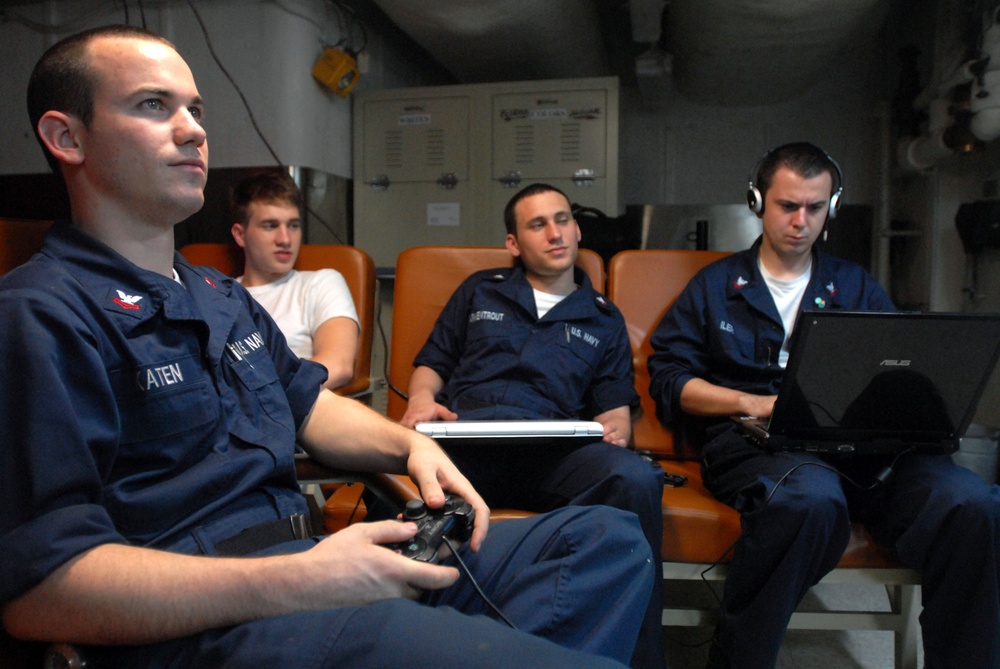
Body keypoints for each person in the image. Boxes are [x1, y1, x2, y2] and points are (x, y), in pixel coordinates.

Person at [0, 25, 657, 669]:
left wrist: (411, 445)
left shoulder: (217, 295)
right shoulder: (41, 313)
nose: (194, 129)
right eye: (153, 105)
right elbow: (40, 593)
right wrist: (303, 580)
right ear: (67, 137)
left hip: (314, 562)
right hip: (214, 613)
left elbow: (310, 405)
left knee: (603, 540)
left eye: (195, 109)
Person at [647, 141, 1000, 669]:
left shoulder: (855, 286)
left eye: (815, 207)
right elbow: (669, 379)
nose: (801, 221)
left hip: (863, 448)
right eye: (788, 206)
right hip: (758, 443)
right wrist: (755, 402)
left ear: (831, 208)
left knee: (972, 505)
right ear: (758, 202)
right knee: (809, 500)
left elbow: (899, 367)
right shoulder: (716, 287)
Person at [400, 182, 667, 669]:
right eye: (537, 224)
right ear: (513, 243)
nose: (554, 232)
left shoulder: (604, 319)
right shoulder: (480, 289)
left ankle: (642, 658)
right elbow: (433, 362)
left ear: (577, 228)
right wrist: (420, 401)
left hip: (551, 454)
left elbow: (613, 408)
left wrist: (614, 433)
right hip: (467, 443)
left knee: (635, 477)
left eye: (562, 219)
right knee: (403, 493)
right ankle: (403, 642)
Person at [230, 170, 359, 391]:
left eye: (293, 225)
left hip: (294, 416)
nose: (285, 239)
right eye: (270, 226)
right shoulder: (221, 295)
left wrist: (256, 396)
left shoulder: (320, 284)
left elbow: (339, 365)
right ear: (240, 235)